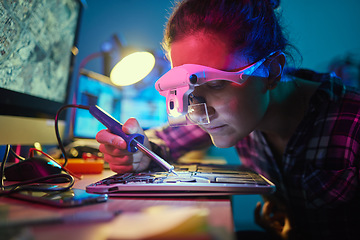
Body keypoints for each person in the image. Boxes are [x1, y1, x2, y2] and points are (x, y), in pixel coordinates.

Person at [95, 0, 360, 239]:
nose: (196, 111)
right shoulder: (235, 114)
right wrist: (140, 151)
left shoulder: (352, 123)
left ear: (271, 72)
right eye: (187, 90)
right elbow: (159, 140)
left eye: (218, 84)